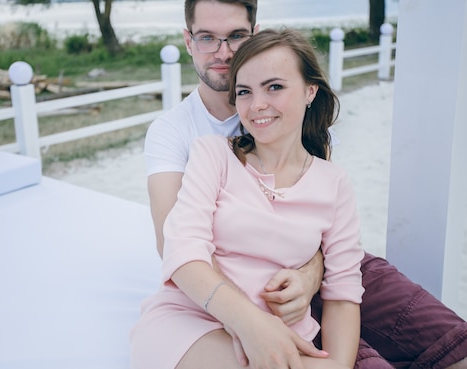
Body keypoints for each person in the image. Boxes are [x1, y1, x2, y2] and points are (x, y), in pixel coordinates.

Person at [142, 0, 467, 369]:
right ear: (189, 41)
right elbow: (175, 244)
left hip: (321, 269)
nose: (222, 52)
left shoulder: (296, 118)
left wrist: (310, 276)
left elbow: (322, 216)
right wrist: (253, 317)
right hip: (234, 293)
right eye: (207, 37)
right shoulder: (180, 135)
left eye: (236, 36)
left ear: (254, 34)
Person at [132, 27, 364, 369]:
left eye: (275, 87)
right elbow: (182, 250)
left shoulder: (334, 182)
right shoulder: (213, 155)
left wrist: (338, 365)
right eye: (244, 91)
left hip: (284, 335)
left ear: (310, 91)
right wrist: (251, 324)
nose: (257, 106)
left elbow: (343, 292)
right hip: (191, 324)